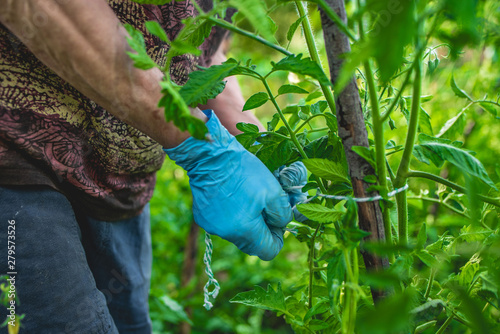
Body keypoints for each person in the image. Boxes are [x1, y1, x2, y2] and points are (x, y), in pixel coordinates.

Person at [0, 0, 304, 333]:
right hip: (17, 158)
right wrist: (201, 148)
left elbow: (194, 52)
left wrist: (254, 140)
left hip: (120, 184)